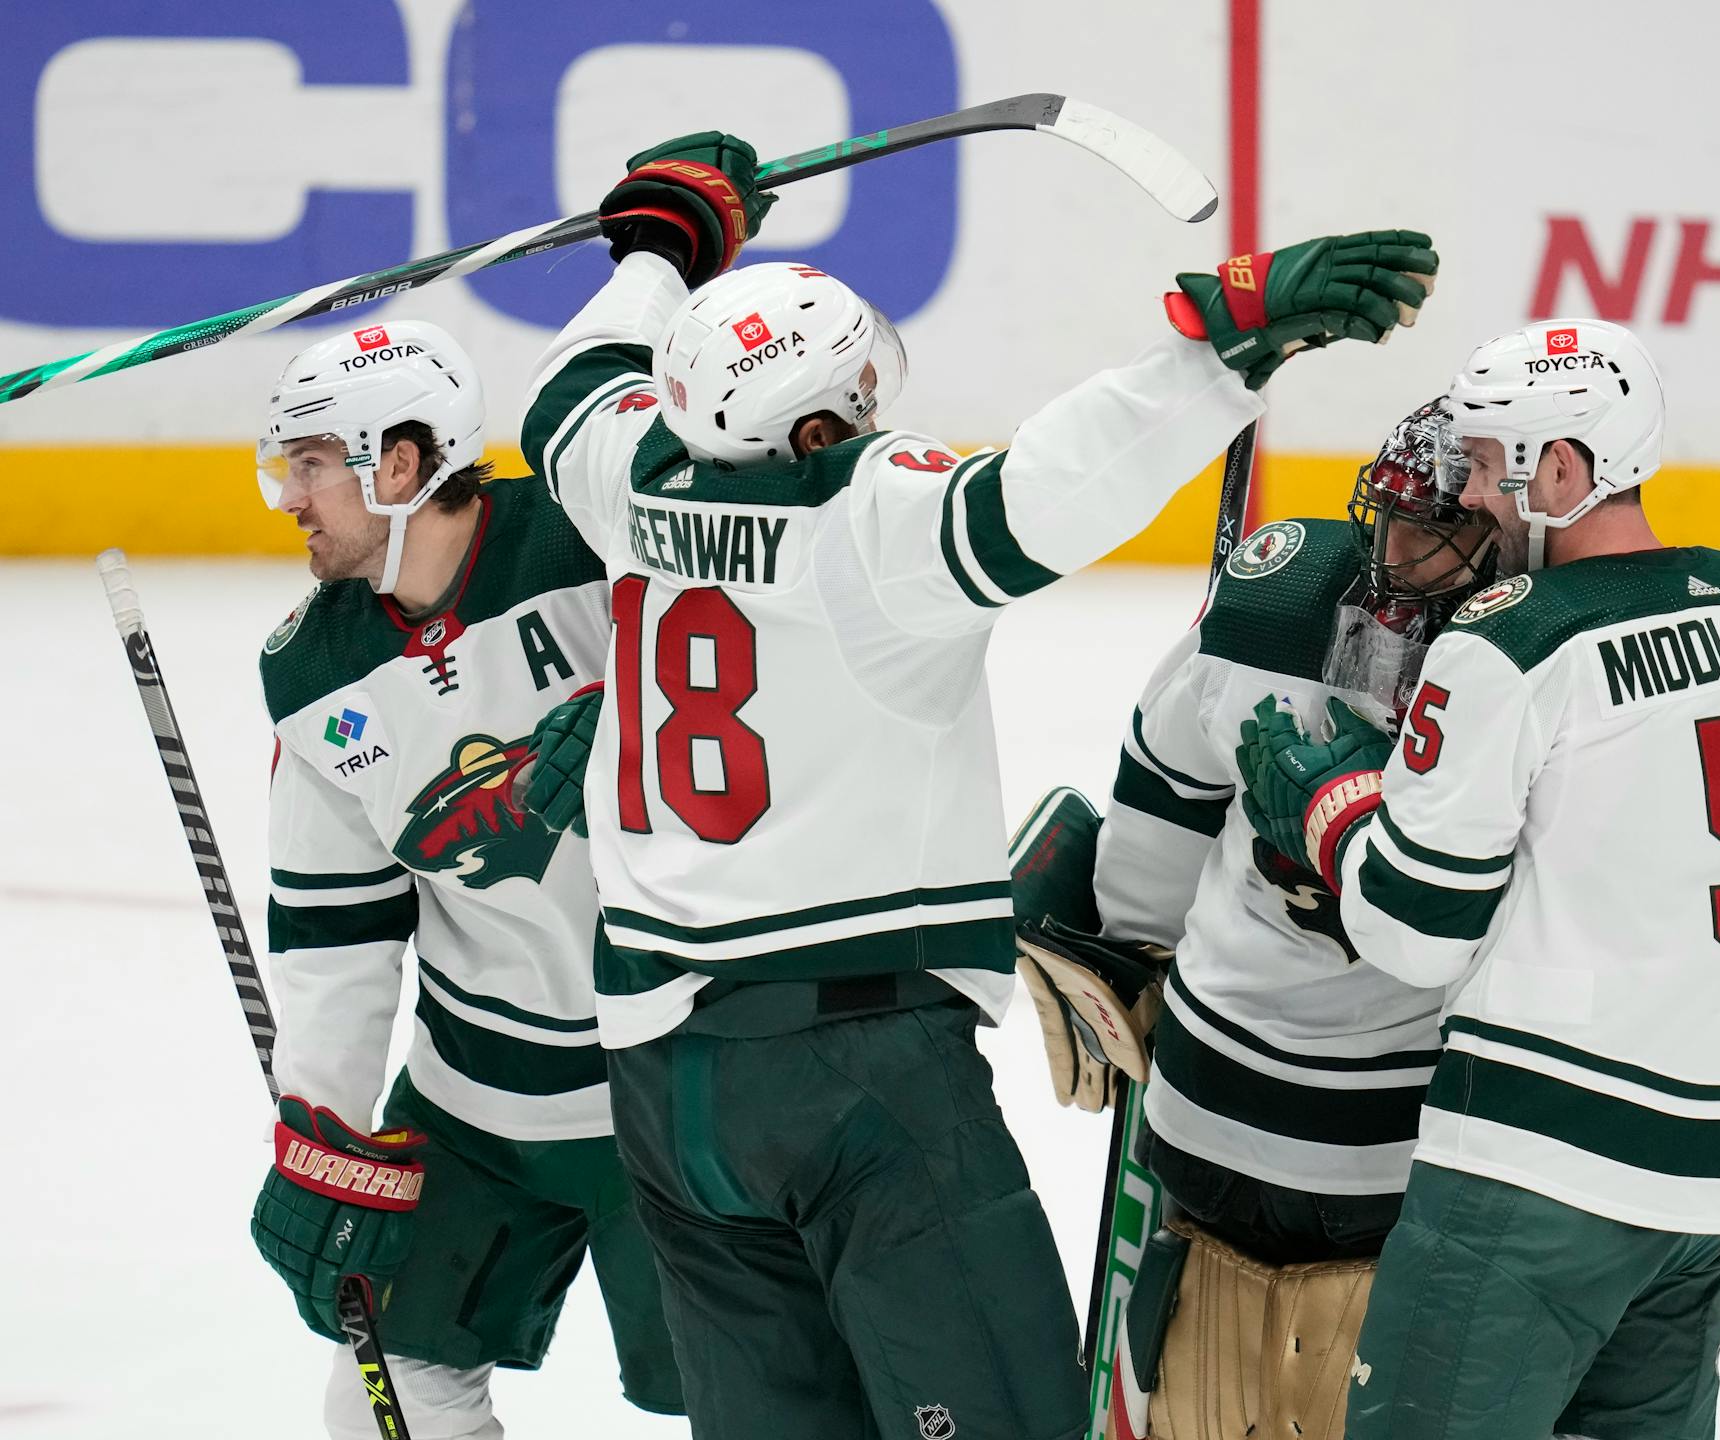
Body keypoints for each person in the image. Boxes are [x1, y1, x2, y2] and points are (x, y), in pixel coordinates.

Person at [512, 126, 1437, 1438]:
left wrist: (663, 241)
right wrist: (1217, 355)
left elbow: (569, 386)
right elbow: (1043, 493)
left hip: (661, 1077)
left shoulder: (623, 474)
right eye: (854, 396)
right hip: (856, 1074)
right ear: (817, 424)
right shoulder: (868, 524)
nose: (874, 413)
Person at [1236, 318, 1720, 1439]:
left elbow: (1420, 932)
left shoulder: (1506, 642)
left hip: (1537, 1174)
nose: (1466, 493)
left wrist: (1334, 811)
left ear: (1563, 472)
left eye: (1486, 464)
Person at [1009, 399, 1497, 1439]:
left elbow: (1160, 787)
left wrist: (1132, 947)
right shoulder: (1550, 660)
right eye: (1389, 522)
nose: (1395, 555)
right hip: (1391, 1146)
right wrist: (1134, 956)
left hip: (1236, 1107)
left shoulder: (1279, 600)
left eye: (1430, 533)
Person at [248, 320, 683, 1439]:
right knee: (383, 1403)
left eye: (311, 465)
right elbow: (335, 936)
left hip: (682, 1087)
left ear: (398, 465)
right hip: (473, 1105)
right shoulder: (312, 673)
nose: (290, 498)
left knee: (761, 1400)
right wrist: (322, 1130)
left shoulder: (593, 538)